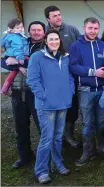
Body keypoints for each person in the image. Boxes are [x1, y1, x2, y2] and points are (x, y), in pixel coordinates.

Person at [27, 29, 74, 184]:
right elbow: (32, 79)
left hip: (63, 103)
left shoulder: (65, 57)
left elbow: (69, 77)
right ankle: (41, 171)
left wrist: (70, 91)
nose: (54, 42)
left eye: (57, 39)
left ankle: (57, 163)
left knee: (58, 136)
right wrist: (43, 95)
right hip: (46, 105)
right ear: (45, 41)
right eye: (51, 39)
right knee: (46, 138)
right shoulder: (37, 57)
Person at [4, 21, 45, 169]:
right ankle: (24, 156)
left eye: (39, 30)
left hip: (35, 93)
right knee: (20, 126)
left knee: (42, 126)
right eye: (33, 30)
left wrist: (19, 63)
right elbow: (4, 61)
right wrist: (16, 63)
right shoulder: (20, 42)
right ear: (28, 32)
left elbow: (39, 65)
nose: (36, 32)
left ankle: (45, 156)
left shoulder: (46, 47)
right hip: (17, 91)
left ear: (44, 32)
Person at [69, 17, 104, 166]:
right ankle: (87, 151)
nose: (93, 31)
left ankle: (101, 148)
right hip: (86, 90)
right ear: (84, 28)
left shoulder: (103, 45)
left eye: (95, 28)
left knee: (100, 122)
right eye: (90, 28)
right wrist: (93, 72)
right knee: (87, 123)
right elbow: (73, 67)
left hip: (103, 89)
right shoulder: (76, 46)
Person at [45, 5, 81, 148]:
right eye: (54, 16)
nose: (58, 17)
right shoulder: (44, 32)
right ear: (48, 19)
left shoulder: (72, 30)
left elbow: (81, 48)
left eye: (59, 14)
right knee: (54, 108)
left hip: (71, 78)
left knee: (72, 108)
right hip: (52, 81)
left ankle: (68, 135)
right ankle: (54, 137)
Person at [1, 18, 29, 95]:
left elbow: (2, 43)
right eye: (17, 28)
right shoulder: (16, 37)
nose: (20, 29)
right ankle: (5, 88)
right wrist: (20, 58)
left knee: (14, 71)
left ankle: (5, 87)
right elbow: (17, 48)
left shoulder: (9, 35)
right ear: (12, 29)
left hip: (11, 55)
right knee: (31, 61)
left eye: (21, 27)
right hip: (17, 55)